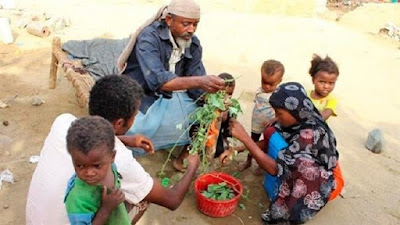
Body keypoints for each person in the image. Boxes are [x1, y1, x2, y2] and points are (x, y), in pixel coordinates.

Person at [26, 75, 200, 225]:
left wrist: (123, 139)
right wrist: (192, 167)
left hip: (34, 219)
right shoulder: (119, 159)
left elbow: (93, 140)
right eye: (135, 115)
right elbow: (172, 200)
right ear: (119, 123)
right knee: (143, 195)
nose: (136, 118)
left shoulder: (64, 122)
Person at [119, 0, 225, 169]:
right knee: (133, 128)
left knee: (207, 113)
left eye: (195, 24)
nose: (191, 29)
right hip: (141, 94)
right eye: (186, 24)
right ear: (169, 20)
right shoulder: (149, 38)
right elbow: (159, 81)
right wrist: (200, 81)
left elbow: (197, 83)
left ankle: (186, 151)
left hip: (171, 94)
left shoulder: (193, 44)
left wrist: (215, 99)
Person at [228, 82, 343, 224]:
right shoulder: (301, 117)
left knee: (297, 171)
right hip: (312, 164)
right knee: (271, 130)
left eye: (279, 113)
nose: (276, 116)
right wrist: (237, 148)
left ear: (293, 109)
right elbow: (268, 142)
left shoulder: (309, 134)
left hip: (327, 181)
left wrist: (245, 137)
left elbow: (275, 169)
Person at [64, 116, 130, 225]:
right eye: (80, 166)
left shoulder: (111, 168)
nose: (89, 173)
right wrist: (106, 209)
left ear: (112, 157)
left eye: (97, 166)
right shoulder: (77, 200)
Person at [238, 60, 284, 175]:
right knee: (252, 142)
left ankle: (261, 165)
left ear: (279, 81)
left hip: (270, 126)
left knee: (266, 144)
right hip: (256, 124)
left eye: (271, 84)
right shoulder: (259, 91)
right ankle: (248, 161)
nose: (267, 86)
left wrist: (274, 120)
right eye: (264, 82)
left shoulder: (278, 95)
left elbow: (281, 113)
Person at [308, 54, 339, 121]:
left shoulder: (331, 100)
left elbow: (324, 116)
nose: (326, 86)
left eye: (331, 83)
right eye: (322, 82)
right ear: (313, 80)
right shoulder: (305, 94)